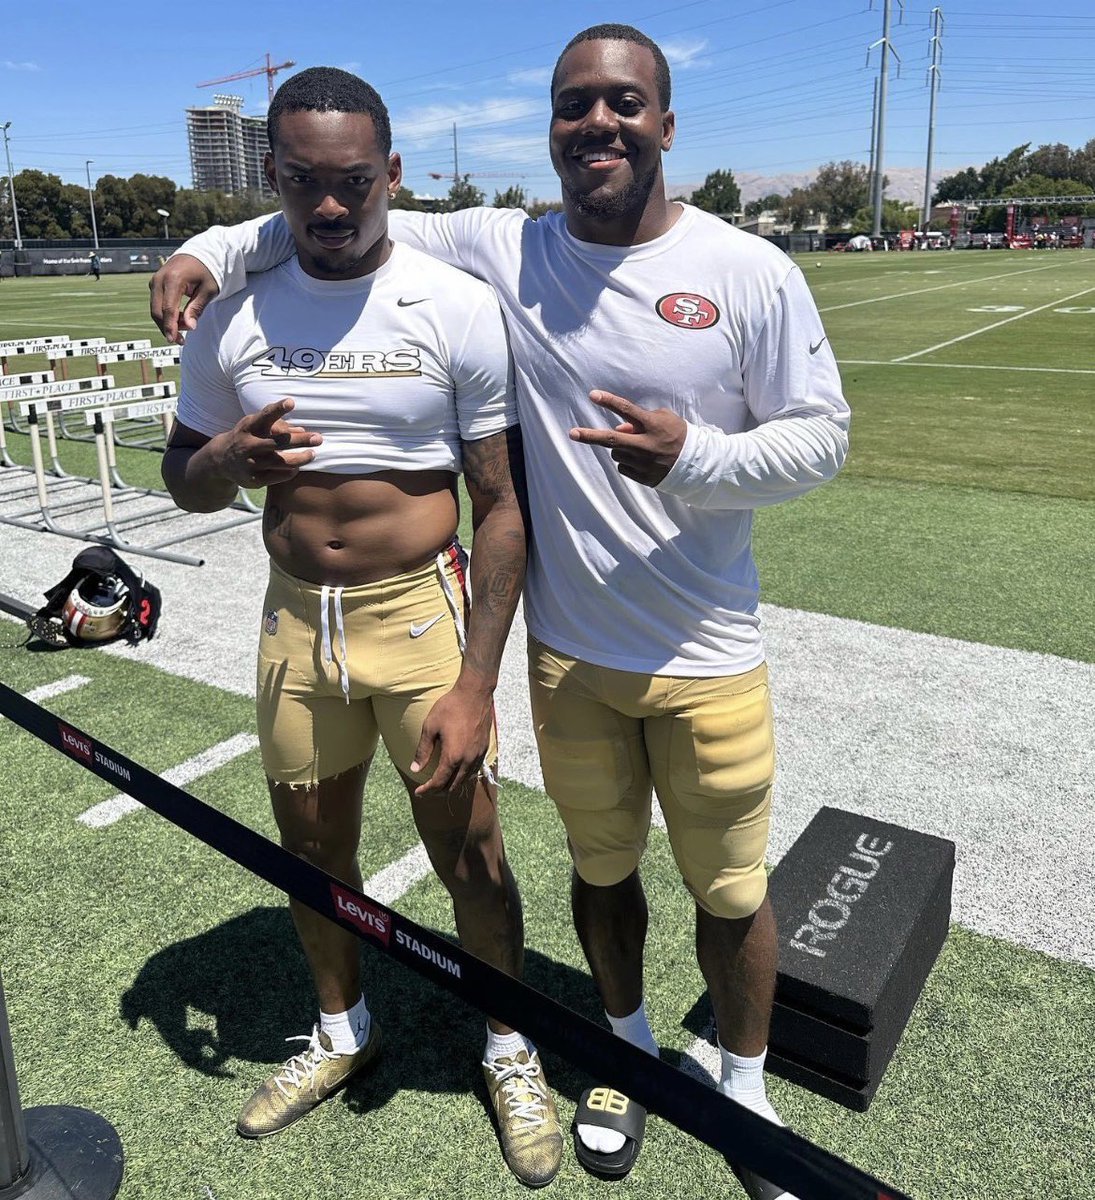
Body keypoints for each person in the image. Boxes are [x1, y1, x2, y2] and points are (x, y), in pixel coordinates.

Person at [151, 28, 849, 1199]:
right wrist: (208, 242)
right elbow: (330, 206)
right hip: (559, 655)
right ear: (551, 130)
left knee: (725, 888)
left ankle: (736, 1087)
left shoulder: (748, 268)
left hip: (705, 647)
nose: (599, 123)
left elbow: (823, 436)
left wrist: (699, 458)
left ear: (666, 124)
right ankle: (608, 1051)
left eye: (626, 102)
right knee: (593, 871)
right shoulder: (505, 247)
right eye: (575, 104)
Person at [159, 67, 562, 1189]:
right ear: (272, 180)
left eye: (351, 182)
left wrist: (478, 681)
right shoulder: (232, 315)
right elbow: (182, 474)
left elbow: (499, 503)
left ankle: (508, 1042)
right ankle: (345, 1029)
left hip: (420, 616)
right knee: (311, 851)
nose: (329, 208)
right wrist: (224, 464)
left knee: (468, 851)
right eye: (303, 183)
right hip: (296, 625)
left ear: (391, 175)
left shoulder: (453, 304)